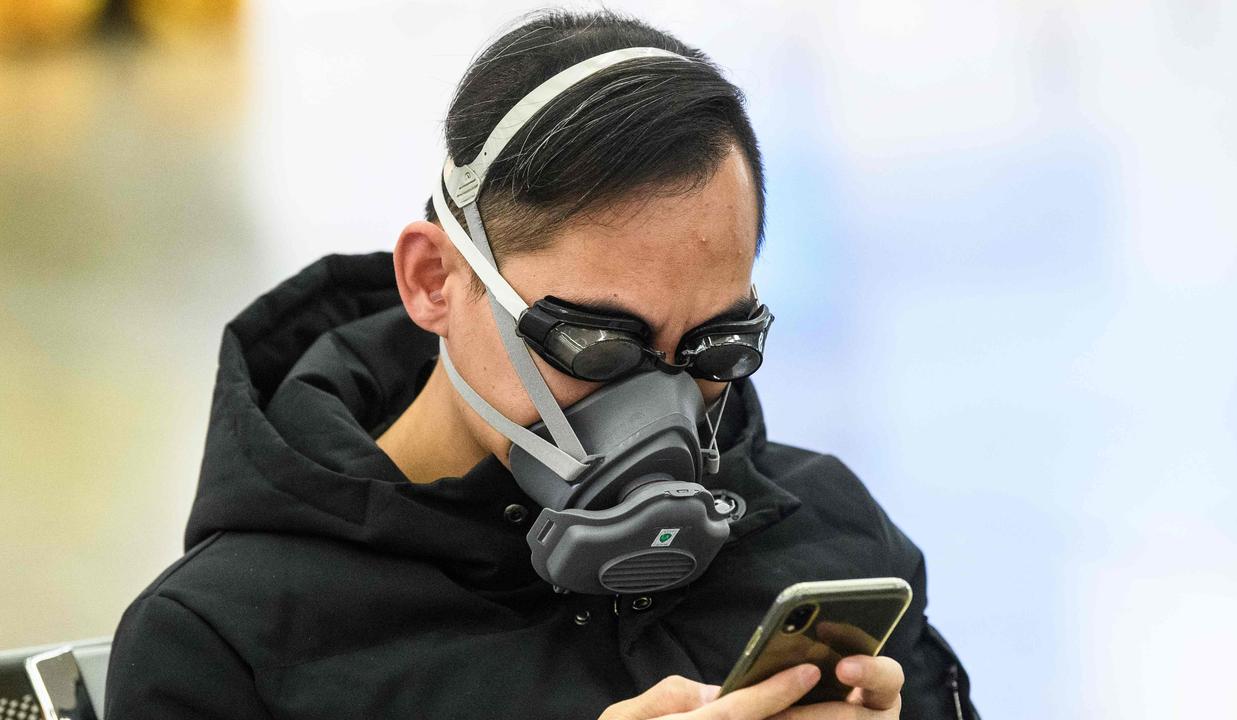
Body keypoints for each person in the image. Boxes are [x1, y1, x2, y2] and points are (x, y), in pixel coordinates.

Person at [104, 10, 980, 720]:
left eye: (717, 347)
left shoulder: (833, 548)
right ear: (434, 280)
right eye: (596, 343)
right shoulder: (228, 645)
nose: (664, 400)